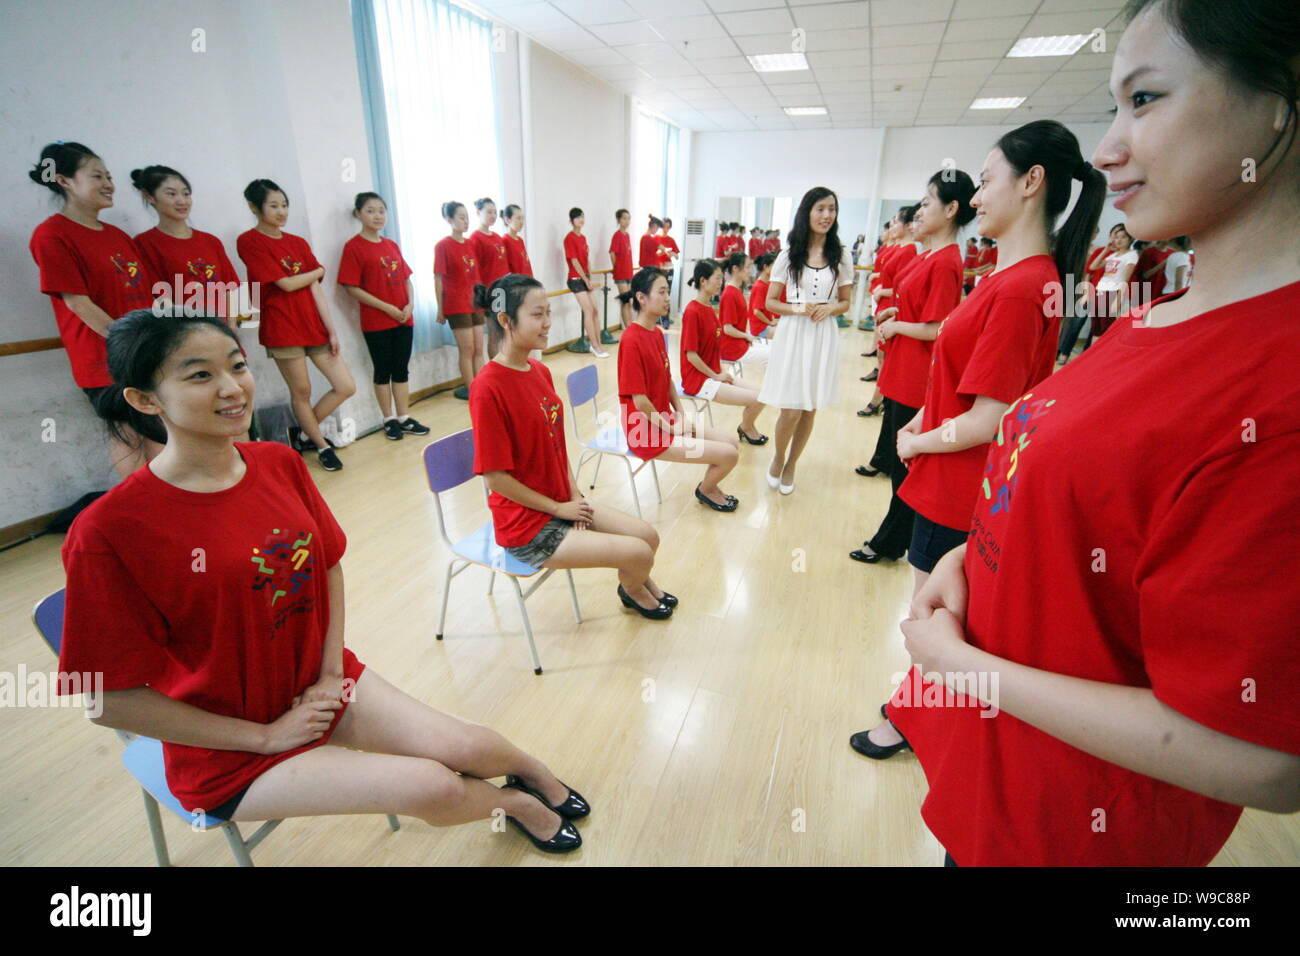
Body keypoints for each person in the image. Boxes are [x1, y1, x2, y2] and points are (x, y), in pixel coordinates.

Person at [880, 0, 1300, 866]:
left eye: (1144, 100)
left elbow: (1263, 755)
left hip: (1075, 830)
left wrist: (966, 669)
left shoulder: (1277, 379)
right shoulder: (1157, 318)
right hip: (1000, 784)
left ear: (1277, 104)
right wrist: (974, 561)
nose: (1107, 148)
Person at [59, 308, 588, 855]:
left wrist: (331, 675)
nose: (232, 388)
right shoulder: (110, 531)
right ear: (145, 400)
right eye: (199, 375)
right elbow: (107, 701)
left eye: (237, 366)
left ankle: (528, 771)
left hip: (318, 685)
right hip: (229, 748)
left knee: (474, 746)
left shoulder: (277, 463)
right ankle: (518, 804)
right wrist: (266, 736)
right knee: (430, 784)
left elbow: (327, 563)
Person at [849, 119, 1105, 759]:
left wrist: (918, 442)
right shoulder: (1014, 277)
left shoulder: (1022, 286)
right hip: (951, 475)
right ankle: (918, 706)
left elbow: (993, 415)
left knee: (933, 618)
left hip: (961, 482)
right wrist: (921, 422)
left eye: (988, 180)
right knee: (937, 611)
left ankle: (913, 718)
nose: (978, 196)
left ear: (1031, 182)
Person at [472, 274, 676, 620]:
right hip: (527, 527)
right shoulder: (487, 388)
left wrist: (574, 495)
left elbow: (555, 445)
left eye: (548, 312)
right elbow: (495, 479)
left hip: (562, 503)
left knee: (649, 537)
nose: (548, 323)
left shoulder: (539, 370)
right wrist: (558, 508)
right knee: (639, 554)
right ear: (506, 320)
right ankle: (635, 589)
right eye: (537, 315)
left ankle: (634, 584)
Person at [853, 171, 974, 564]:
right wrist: (893, 311)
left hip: (915, 377)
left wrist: (896, 324)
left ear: (951, 209)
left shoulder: (946, 263)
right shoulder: (931, 257)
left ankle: (890, 542)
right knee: (897, 462)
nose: (919, 211)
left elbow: (941, 326)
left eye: (927, 202)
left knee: (907, 473)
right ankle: (894, 536)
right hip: (902, 368)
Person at [28, 142, 162, 477]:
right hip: (105, 360)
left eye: (109, 176)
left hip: (144, 353)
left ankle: (165, 512)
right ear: (65, 181)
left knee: (160, 437)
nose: (109, 184)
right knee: (133, 438)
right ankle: (140, 516)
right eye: (96, 175)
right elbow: (78, 302)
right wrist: (128, 344)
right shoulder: (52, 235)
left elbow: (149, 295)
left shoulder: (118, 235)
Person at [236, 179, 355, 471]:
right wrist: (317, 270)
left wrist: (332, 329)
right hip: (282, 328)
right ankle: (322, 446)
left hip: (313, 325)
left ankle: (303, 432)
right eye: (273, 205)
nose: (281, 211)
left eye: (284, 205)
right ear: (254, 207)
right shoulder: (249, 241)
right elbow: (286, 284)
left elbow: (315, 288)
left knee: (345, 385)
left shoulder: (297, 243)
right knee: (300, 391)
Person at [617, 267, 742, 513]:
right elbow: (640, 402)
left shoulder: (656, 332)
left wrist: (680, 414)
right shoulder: (631, 340)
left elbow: (667, 380)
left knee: (731, 443)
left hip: (665, 419)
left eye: (668, 292)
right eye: (661, 292)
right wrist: (673, 428)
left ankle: (707, 486)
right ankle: (706, 489)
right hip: (644, 431)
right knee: (729, 455)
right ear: (641, 298)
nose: (667, 298)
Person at [758, 187, 855, 495]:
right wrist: (800, 308)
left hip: (823, 334)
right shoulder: (788, 255)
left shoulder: (842, 255)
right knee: (790, 407)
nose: (827, 216)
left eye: (832, 210)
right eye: (821, 209)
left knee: (809, 407)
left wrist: (829, 308)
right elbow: (771, 302)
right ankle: (777, 457)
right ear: (807, 213)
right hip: (794, 333)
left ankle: (792, 464)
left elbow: (845, 302)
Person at [337, 192, 428, 441]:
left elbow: (407, 279)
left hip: (403, 318)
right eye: (370, 210)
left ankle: (404, 417)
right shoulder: (353, 247)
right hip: (377, 322)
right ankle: (388, 419)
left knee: (401, 370)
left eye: (381, 210)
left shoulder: (391, 245)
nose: (377, 215)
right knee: (383, 371)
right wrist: (387, 307)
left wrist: (410, 304)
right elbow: (351, 287)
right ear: (358, 214)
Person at [131, 164, 244, 329]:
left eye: (186, 193)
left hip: (223, 333)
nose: (182, 201)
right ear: (149, 197)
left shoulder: (210, 241)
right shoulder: (144, 243)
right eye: (171, 194)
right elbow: (160, 298)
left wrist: (233, 328)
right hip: (184, 335)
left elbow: (232, 289)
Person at [680, 259, 767, 452]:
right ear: (703, 281)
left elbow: (712, 348)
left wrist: (720, 371)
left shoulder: (710, 309)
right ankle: (746, 428)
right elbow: (691, 356)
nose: (721, 282)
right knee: (757, 399)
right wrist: (716, 375)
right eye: (717, 278)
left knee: (763, 394)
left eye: (721, 278)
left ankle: (747, 427)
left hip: (714, 373)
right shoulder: (693, 311)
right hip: (698, 380)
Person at [433, 201, 482, 401]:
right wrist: (440, 308)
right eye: (461, 217)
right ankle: (472, 390)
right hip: (456, 303)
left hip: (475, 302)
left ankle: (481, 386)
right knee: (467, 349)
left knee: (479, 348)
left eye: (467, 217)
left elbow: (476, 275)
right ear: (449, 219)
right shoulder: (443, 246)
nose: (465, 221)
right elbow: (438, 278)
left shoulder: (470, 244)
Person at [469, 198, 510, 357]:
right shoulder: (475, 238)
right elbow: (475, 270)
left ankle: (506, 365)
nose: (492, 215)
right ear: (479, 213)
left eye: (494, 212)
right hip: (489, 292)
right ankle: (496, 369)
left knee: (505, 332)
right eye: (489, 212)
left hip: (503, 290)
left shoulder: (497, 237)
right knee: (494, 333)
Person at [563, 207, 607, 358]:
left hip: (585, 279)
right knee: (588, 310)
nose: (581, 220)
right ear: (571, 220)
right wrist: (586, 279)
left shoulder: (583, 238)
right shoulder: (569, 238)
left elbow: (586, 260)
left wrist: (590, 278)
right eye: (577, 217)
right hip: (575, 279)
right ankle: (594, 345)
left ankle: (599, 344)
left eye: (582, 217)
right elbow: (575, 262)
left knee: (595, 310)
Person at [1087, 222, 1139, 345]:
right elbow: (1093, 266)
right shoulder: (1114, 255)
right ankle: (1091, 357)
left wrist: (1118, 300)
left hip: (1112, 294)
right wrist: (1106, 250)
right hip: (1100, 291)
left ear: (1130, 239)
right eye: (1116, 237)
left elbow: (1125, 280)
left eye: (1123, 237)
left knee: (1106, 329)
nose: (1119, 240)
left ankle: (1102, 359)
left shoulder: (1132, 255)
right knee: (1096, 328)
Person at [610, 208, 634, 331]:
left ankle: (631, 326)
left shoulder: (627, 236)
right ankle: (628, 329)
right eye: (624, 218)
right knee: (624, 301)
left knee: (629, 301)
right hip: (621, 274)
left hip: (629, 273)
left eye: (628, 218)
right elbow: (612, 253)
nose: (627, 221)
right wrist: (617, 268)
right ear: (619, 220)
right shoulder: (617, 235)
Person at [747, 252, 778, 340]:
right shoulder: (760, 286)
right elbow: (756, 312)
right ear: (766, 267)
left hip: (765, 325)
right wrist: (770, 322)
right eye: (774, 266)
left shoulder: (766, 284)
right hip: (760, 329)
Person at [501, 204, 533, 277]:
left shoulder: (520, 240)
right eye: (518, 218)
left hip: (527, 282)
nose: (521, 222)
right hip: (516, 284)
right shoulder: (504, 241)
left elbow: (526, 263)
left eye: (522, 218)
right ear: (507, 220)